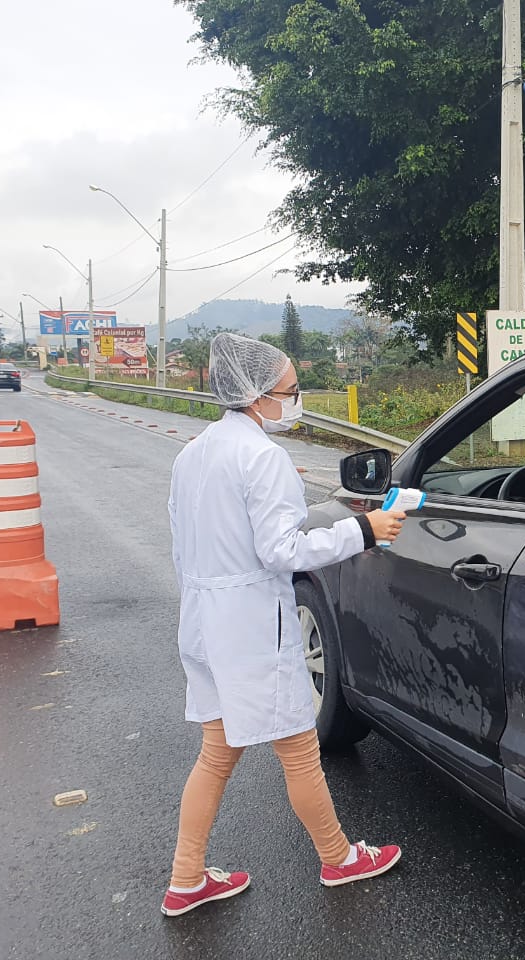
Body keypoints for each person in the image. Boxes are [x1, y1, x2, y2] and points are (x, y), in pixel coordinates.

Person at [162, 332, 408, 918]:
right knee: (299, 749)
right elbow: (281, 550)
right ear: (255, 395)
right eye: (290, 391)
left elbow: (184, 544)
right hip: (252, 627)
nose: (295, 400)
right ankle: (339, 857)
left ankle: (186, 878)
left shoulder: (192, 454)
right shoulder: (261, 458)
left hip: (203, 621)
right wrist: (366, 530)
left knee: (217, 751)